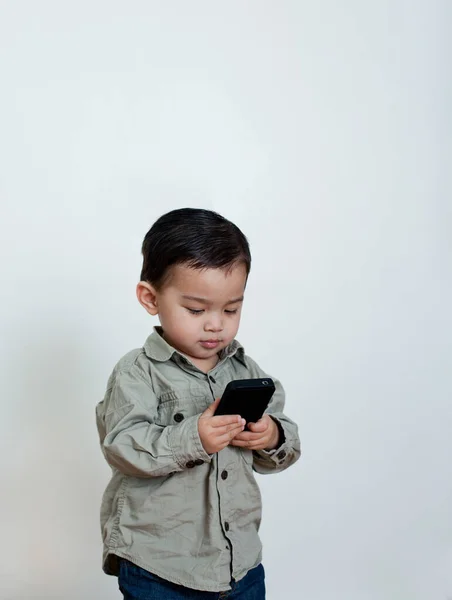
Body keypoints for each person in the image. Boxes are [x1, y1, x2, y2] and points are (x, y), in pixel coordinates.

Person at [96, 208, 301, 599]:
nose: (215, 324)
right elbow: (122, 446)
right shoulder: (137, 372)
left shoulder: (245, 370)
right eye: (196, 309)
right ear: (150, 297)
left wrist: (270, 435)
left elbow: (285, 445)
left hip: (238, 563)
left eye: (231, 309)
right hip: (160, 566)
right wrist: (196, 438)